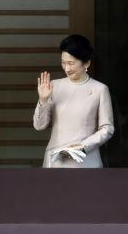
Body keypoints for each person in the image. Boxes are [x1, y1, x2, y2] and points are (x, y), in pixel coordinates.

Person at [33, 34, 114, 168]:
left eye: (71, 63)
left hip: (86, 160)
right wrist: (43, 100)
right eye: (63, 62)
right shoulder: (54, 86)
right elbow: (39, 126)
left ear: (86, 63)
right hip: (56, 161)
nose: (67, 68)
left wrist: (83, 147)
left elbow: (107, 128)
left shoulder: (100, 89)